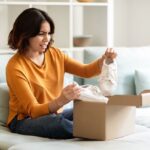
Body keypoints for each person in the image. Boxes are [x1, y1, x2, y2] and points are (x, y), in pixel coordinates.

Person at [6, 7, 117, 139]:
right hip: (24, 120)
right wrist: (61, 100)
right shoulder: (15, 67)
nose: (47, 39)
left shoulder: (55, 54)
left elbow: (86, 71)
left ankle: (97, 128)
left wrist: (104, 60)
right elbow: (33, 110)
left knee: (89, 109)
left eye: (49, 33)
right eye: (41, 34)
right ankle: (96, 131)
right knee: (58, 124)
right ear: (26, 34)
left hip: (53, 114)